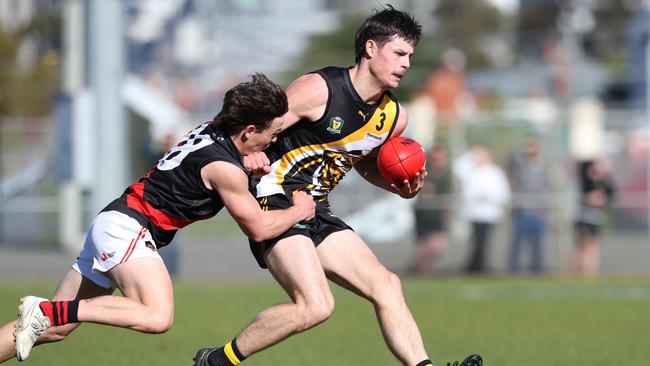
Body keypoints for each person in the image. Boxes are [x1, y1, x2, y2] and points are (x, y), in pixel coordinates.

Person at [193, 6, 482, 366]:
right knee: (316, 305)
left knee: (387, 285)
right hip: (274, 198)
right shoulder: (318, 90)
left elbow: (361, 163)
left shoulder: (393, 117)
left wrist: (399, 187)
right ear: (371, 48)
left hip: (316, 209)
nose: (407, 63)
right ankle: (217, 361)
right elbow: (254, 126)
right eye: (399, 53)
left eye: (411, 56)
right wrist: (245, 154)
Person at [1, 73, 317, 363]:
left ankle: (49, 314)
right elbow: (259, 228)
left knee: (53, 329)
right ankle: (47, 310)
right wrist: (299, 210)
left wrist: (247, 168)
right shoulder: (226, 169)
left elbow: (205, 170)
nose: (274, 141)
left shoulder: (211, 130)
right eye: (273, 134)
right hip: (129, 229)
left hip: (115, 222)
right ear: (249, 131)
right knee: (156, 316)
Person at [453, 146, 510, 274]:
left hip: (489, 214)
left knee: (483, 241)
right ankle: (476, 267)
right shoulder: (471, 171)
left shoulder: (495, 172)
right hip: (474, 213)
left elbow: (503, 193)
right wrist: (470, 153)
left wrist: (488, 197)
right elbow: (457, 168)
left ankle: (477, 267)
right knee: (477, 241)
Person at [507, 137, 552, 274]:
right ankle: (513, 269)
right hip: (522, 210)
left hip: (538, 211)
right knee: (517, 243)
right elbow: (510, 157)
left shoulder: (543, 165)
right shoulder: (521, 164)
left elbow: (549, 186)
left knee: (537, 244)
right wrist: (524, 149)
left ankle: (537, 269)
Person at [410, 144, 452, 275]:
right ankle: (420, 271)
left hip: (437, 215)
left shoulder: (447, 174)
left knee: (438, 247)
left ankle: (418, 268)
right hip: (423, 213)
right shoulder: (424, 171)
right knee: (424, 247)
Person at [574, 158, 615, 276]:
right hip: (585, 218)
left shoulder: (603, 182)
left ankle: (591, 270)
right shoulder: (586, 181)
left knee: (594, 244)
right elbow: (589, 198)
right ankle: (582, 269)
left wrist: (607, 173)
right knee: (583, 244)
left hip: (596, 218)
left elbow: (609, 194)